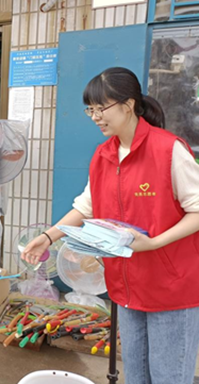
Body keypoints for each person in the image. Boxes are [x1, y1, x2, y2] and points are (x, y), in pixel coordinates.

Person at [22, 67, 199, 384]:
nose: (94, 116)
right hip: (126, 287)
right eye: (89, 109)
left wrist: (154, 243)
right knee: (137, 377)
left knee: (169, 378)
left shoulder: (168, 149)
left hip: (171, 289)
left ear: (128, 105)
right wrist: (48, 237)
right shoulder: (103, 155)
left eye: (100, 108)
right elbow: (85, 207)